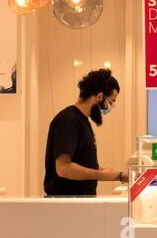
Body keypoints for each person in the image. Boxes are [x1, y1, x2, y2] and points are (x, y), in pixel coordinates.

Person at [43, 68, 126, 196]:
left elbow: (85, 164)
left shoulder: (83, 121)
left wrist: (119, 176)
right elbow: (64, 168)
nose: (112, 106)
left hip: (80, 201)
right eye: (111, 101)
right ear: (99, 96)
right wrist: (102, 175)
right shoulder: (68, 120)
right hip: (66, 204)